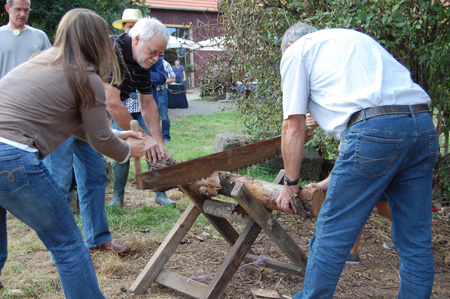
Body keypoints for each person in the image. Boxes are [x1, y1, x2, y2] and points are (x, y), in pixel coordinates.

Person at [276, 22, 437, 298]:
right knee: (415, 239)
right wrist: (329, 182)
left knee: (332, 232)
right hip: (421, 125)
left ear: (289, 47)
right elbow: (361, 136)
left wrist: (291, 183)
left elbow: (293, 127)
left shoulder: (296, 52)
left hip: (376, 130)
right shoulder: (351, 41)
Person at [0, 8, 144, 297]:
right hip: (12, 157)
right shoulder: (86, 78)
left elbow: (79, 126)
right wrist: (128, 149)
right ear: (97, 42)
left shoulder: (41, 62)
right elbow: (101, 143)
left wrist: (116, 134)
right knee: (67, 246)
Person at [305, 113, 394, 265]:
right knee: (380, 198)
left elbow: (349, 157)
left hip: (376, 142)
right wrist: (326, 182)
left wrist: (326, 118)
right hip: (389, 139)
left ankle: (350, 252)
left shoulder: (353, 110)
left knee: (355, 196)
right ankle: (411, 235)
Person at [108, 9, 175, 207]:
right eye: (152, 52)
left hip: (91, 114)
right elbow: (111, 102)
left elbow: (148, 103)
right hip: (68, 112)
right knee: (86, 175)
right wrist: (146, 139)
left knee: (93, 178)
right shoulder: (113, 50)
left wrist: (158, 141)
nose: (155, 59)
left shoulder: (142, 63)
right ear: (136, 39)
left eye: (159, 54)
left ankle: (99, 237)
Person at [0, 0, 51, 79]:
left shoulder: (40, 36)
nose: (22, 14)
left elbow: (50, 68)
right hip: (4, 90)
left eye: (26, 10)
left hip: (33, 90)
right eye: (18, 9)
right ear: (7, 8)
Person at [157, 58, 176, 142]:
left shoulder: (165, 64)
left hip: (161, 92)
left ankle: (165, 137)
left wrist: (160, 81)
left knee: (164, 116)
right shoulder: (146, 62)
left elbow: (172, 78)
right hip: (148, 93)